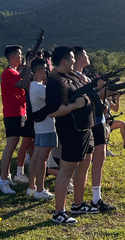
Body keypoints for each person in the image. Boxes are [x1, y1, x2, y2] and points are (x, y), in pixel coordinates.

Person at [45, 46, 99, 224]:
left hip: (85, 128)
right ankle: (59, 212)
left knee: (84, 167)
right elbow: (53, 111)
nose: (74, 62)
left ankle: (78, 204)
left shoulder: (71, 76)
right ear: (63, 61)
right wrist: (76, 105)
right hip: (71, 131)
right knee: (66, 171)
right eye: (72, 60)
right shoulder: (55, 80)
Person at [72, 47, 116, 213]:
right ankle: (83, 201)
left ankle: (95, 198)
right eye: (85, 54)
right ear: (78, 58)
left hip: (99, 120)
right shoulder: (75, 78)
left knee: (100, 160)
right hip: (92, 122)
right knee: (89, 163)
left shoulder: (83, 76)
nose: (87, 56)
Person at [0, 45, 31, 194]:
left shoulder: (14, 72)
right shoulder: (9, 72)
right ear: (12, 56)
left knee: (14, 143)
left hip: (19, 112)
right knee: (11, 145)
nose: (21, 57)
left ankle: (7, 176)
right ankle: (3, 180)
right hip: (12, 114)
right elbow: (24, 84)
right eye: (19, 55)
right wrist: (29, 67)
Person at [26, 58, 55, 200]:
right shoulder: (40, 88)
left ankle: (32, 187)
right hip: (47, 126)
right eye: (44, 69)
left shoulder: (32, 86)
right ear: (38, 70)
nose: (46, 71)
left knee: (36, 157)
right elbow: (54, 100)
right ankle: (40, 189)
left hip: (39, 127)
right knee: (43, 159)